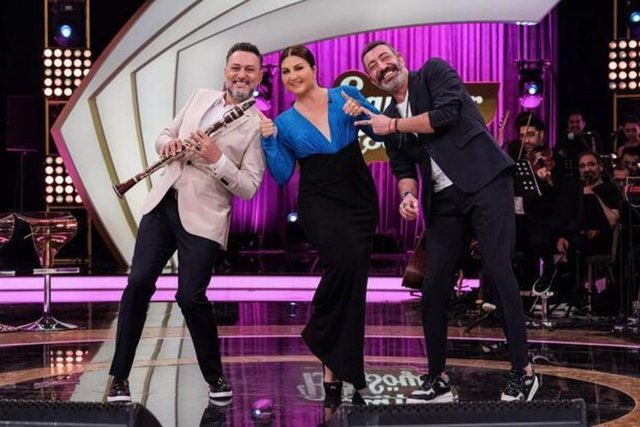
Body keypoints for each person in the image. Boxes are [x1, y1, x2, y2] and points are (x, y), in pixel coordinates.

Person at [358, 41, 539, 402]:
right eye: (372, 65)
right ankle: (437, 379)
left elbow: (446, 115)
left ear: (400, 59)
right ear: (372, 79)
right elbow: (403, 168)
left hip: (485, 182)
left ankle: (524, 372)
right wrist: (407, 196)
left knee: (497, 270)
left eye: (385, 57)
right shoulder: (387, 119)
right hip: (443, 201)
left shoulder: (433, 72)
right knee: (434, 285)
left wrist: (392, 125)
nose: (381, 66)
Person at [107, 42, 266, 402]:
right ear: (226, 71)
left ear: (259, 76)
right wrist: (167, 144)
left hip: (205, 216)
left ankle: (215, 377)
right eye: (235, 68)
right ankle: (119, 377)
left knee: (191, 297)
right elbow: (165, 134)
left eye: (249, 70)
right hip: (163, 203)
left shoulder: (257, 125)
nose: (241, 75)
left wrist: (216, 158)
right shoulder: (199, 97)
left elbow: (248, 187)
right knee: (138, 284)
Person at [258, 44, 379, 406]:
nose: (292, 76)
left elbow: (384, 132)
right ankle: (322, 337)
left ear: (314, 68)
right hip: (319, 202)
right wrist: (269, 142)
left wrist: (365, 113)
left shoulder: (345, 95)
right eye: (286, 71)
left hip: (359, 198)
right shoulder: (283, 123)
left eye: (299, 68)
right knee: (342, 266)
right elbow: (283, 175)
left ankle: (335, 372)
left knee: (353, 283)